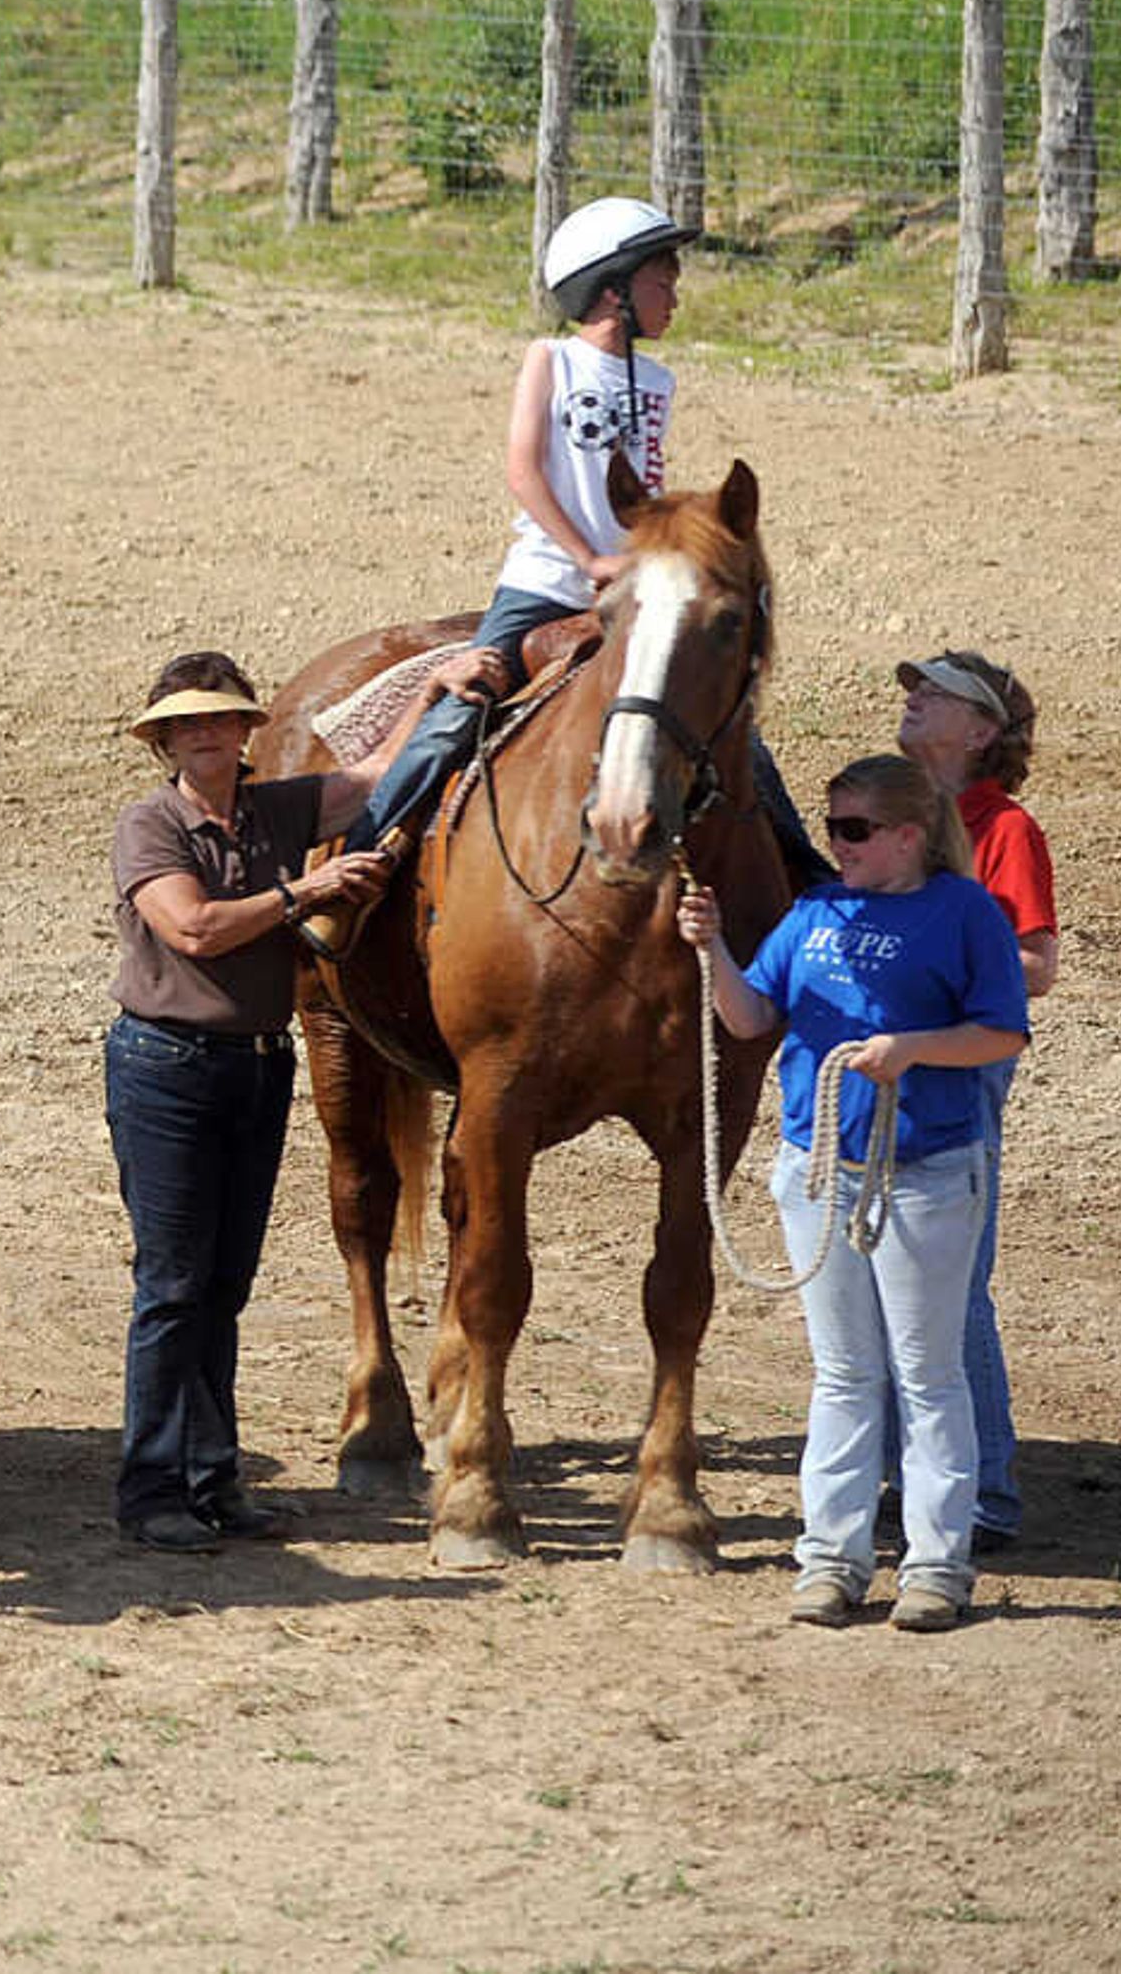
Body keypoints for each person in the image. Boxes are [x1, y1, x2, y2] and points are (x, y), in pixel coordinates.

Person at [307, 196, 821, 953]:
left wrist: (647, 559)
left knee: (733, 732)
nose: (674, 297)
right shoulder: (551, 360)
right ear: (612, 287)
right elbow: (523, 472)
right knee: (460, 713)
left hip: (628, 590)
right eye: (661, 281)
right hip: (545, 580)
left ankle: (805, 877)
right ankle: (368, 858)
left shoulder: (659, 385)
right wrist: (588, 560)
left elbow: (635, 495)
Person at [677, 754, 1029, 1632]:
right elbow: (752, 1018)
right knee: (842, 1372)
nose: (838, 845)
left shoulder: (965, 914)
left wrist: (910, 1050)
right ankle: (832, 1560)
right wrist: (712, 945)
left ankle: (936, 1566)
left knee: (925, 1374)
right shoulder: (816, 911)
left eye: (854, 830)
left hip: (927, 1172)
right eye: (834, 828)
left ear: (909, 835)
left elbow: (998, 1033)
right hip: (818, 1169)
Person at [103, 650, 433, 1551]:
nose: (206, 733)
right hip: (166, 1069)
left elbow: (373, 780)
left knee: (223, 1286)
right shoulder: (151, 826)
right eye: (187, 723)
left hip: (255, 1066)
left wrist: (435, 695)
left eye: (221, 718)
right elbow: (194, 927)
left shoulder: (279, 808)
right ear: (164, 740)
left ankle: (212, 1482)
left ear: (247, 732)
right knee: (173, 1287)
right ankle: (152, 1490)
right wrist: (304, 892)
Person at [892, 651, 1055, 1550]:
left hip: (960, 1065)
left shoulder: (1004, 829)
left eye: (937, 693)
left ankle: (985, 1494)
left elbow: (1036, 966)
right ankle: (908, 1484)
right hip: (885, 1069)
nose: (913, 697)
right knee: (883, 1278)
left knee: (953, 1288)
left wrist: (927, 975)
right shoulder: (888, 817)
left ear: (983, 731)